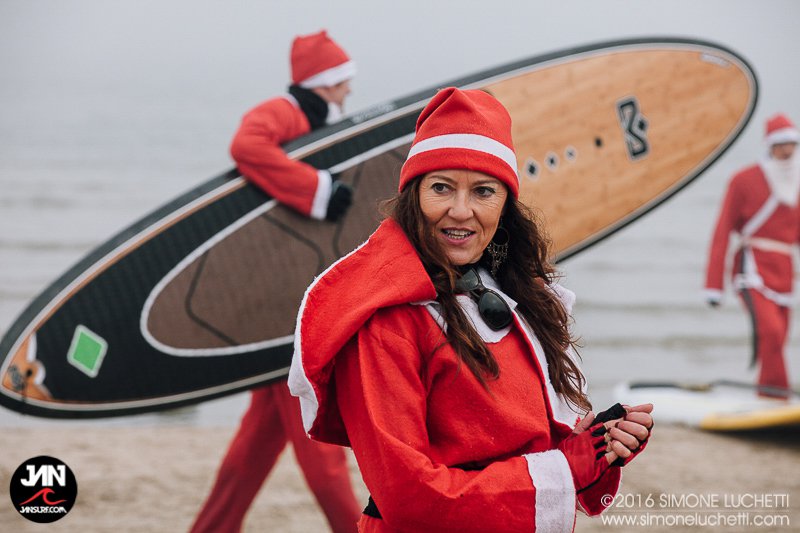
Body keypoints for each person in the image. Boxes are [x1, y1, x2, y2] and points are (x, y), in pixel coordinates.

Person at [289, 87, 654, 531]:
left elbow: (526, 438)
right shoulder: (386, 320)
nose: (460, 212)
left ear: (505, 206)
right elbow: (408, 495)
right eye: (441, 188)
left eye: (483, 191)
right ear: (413, 196)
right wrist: (567, 467)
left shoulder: (516, 294)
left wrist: (597, 443)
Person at [190, 30, 361, 533]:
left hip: (283, 309)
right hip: (286, 318)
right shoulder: (287, 111)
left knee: (251, 453)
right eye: (343, 82)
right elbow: (246, 144)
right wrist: (318, 192)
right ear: (325, 83)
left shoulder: (313, 120)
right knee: (323, 459)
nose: (349, 92)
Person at [705, 113, 800, 399]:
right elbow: (722, 231)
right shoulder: (743, 180)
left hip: (784, 271)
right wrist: (713, 286)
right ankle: (779, 396)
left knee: (777, 339)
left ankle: (766, 395)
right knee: (769, 332)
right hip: (752, 269)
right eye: (781, 143)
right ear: (770, 145)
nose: (787, 150)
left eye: (792, 144)